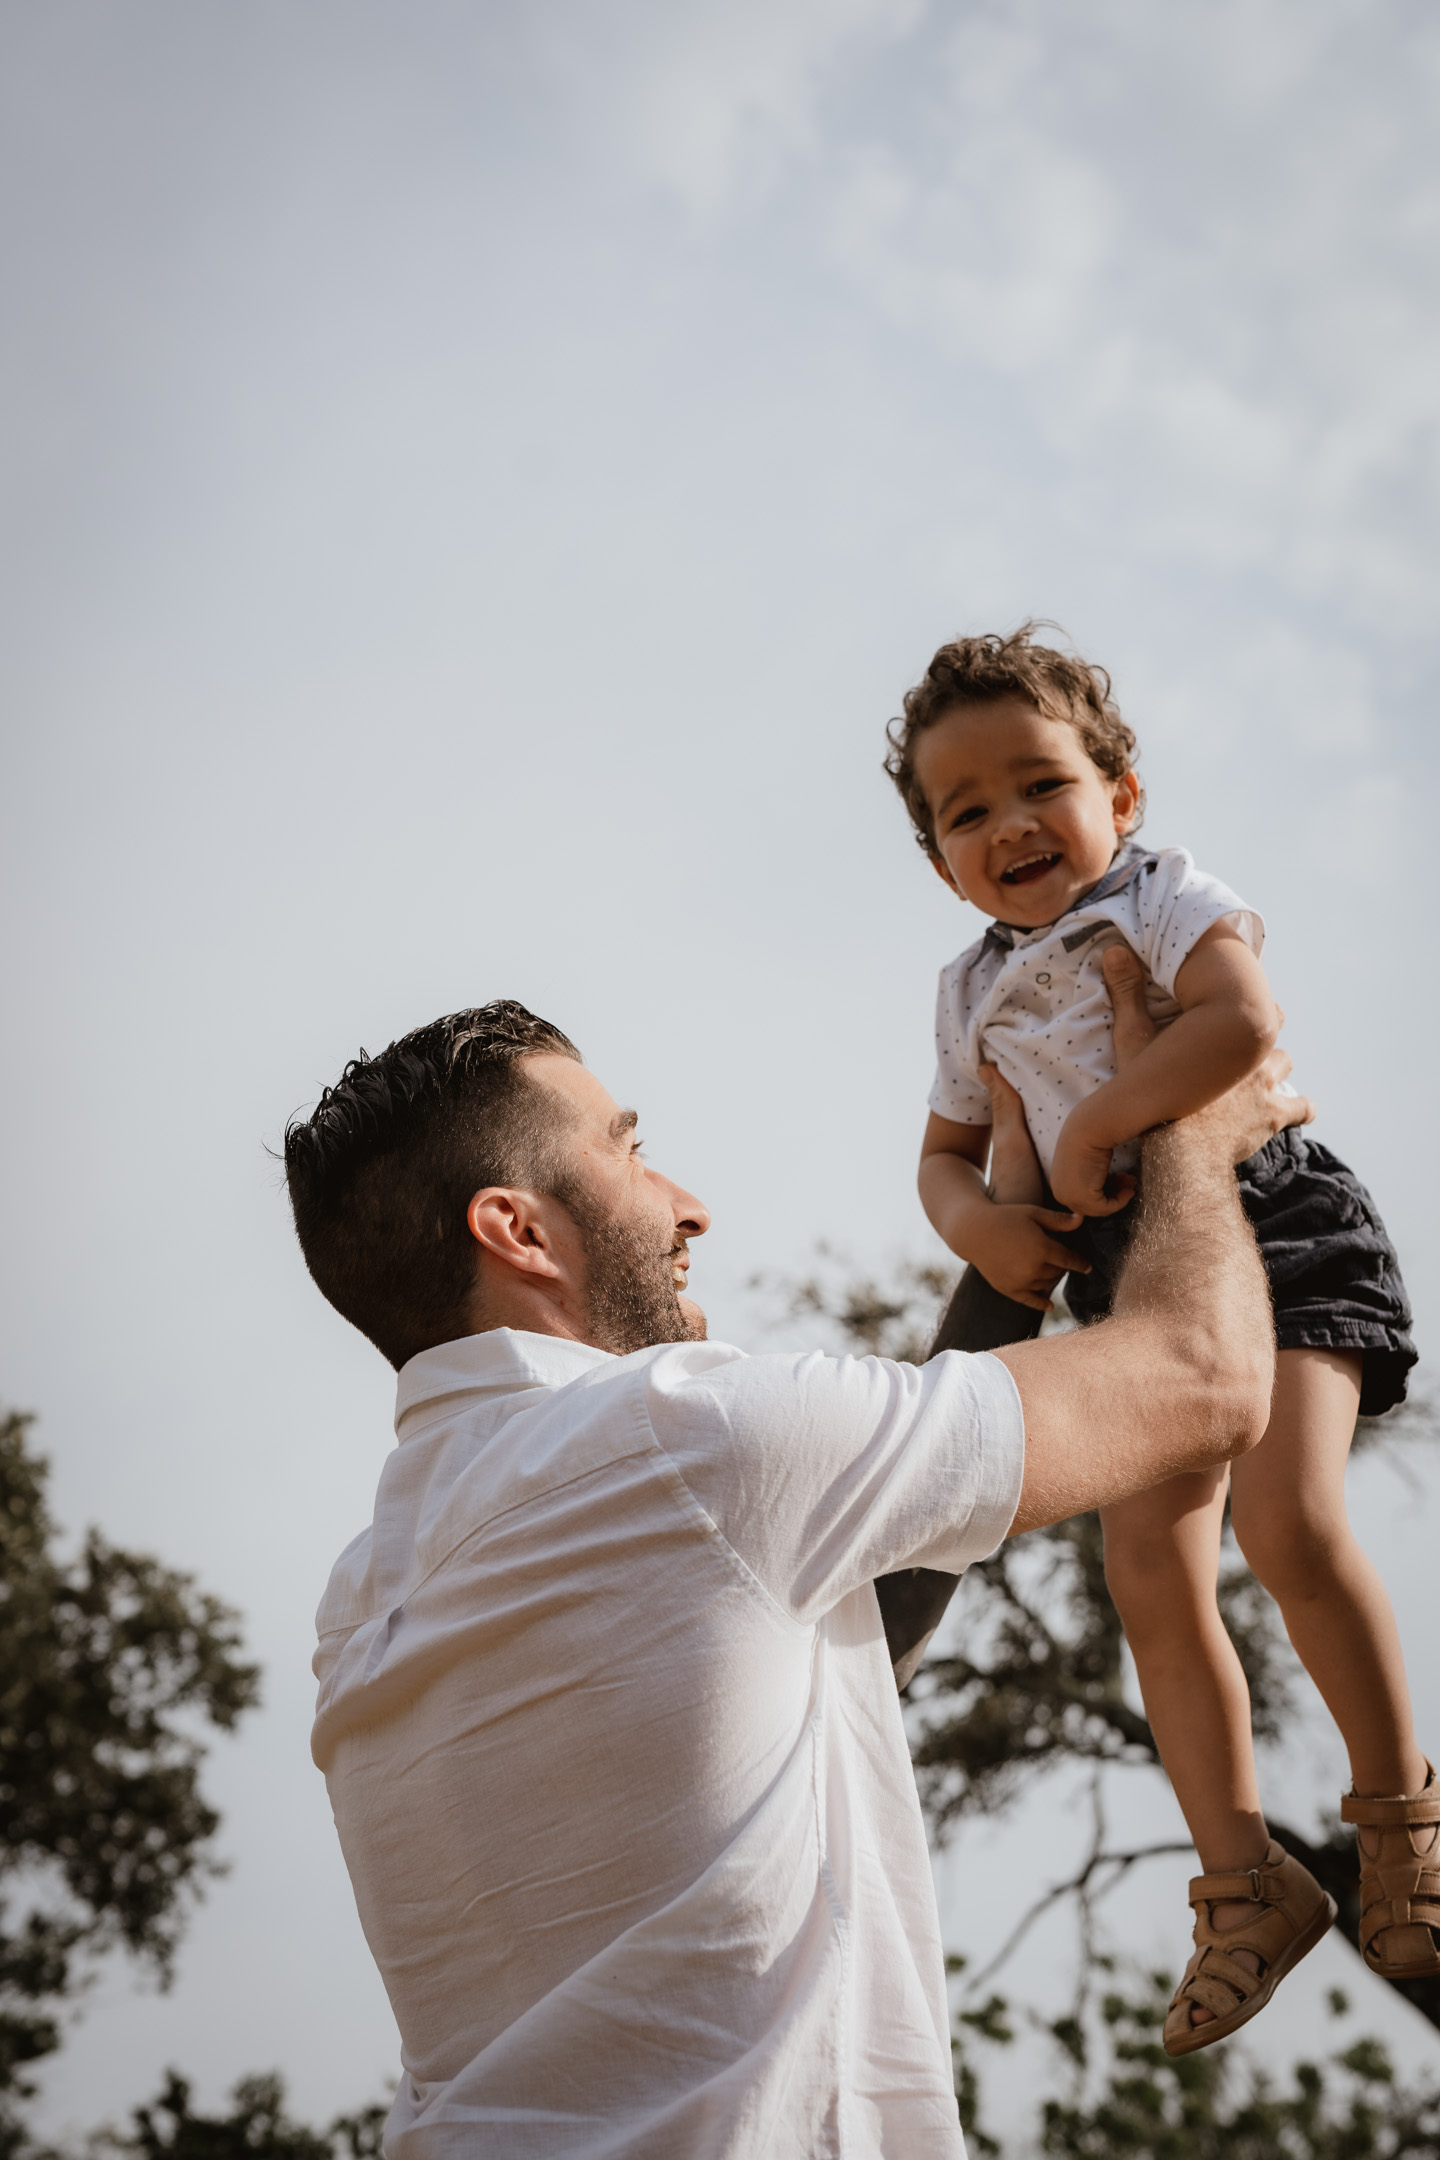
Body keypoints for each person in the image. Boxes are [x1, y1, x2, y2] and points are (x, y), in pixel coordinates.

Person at [285, 995, 1298, 2155]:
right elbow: (1208, 1376)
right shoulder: (682, 1440)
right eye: (629, 1152)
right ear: (519, 1231)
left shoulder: (364, 1595)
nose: (688, 1205)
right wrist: (1190, 1115)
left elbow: (838, 1633)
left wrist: (1014, 1262)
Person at [884, 621, 1437, 2057]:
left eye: (1038, 785)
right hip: (1128, 1281)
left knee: (1289, 1519)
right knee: (1146, 1570)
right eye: (965, 812)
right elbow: (945, 1157)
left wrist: (1101, 1118)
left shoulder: (1160, 896)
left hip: (1270, 1216)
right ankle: (1246, 1882)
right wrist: (983, 1232)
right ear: (940, 857)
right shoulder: (965, 994)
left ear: (1119, 798)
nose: (1008, 824)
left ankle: (1402, 1825)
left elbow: (1242, 1023)